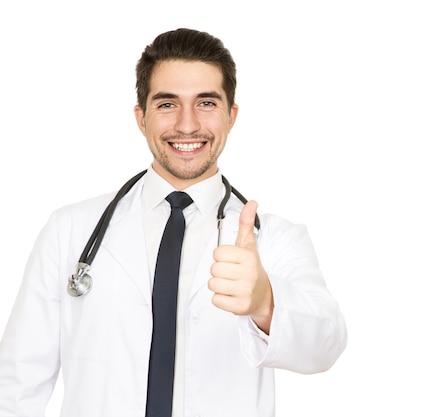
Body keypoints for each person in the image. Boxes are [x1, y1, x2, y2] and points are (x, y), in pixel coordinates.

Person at [0, 28, 347, 417]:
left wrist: (266, 302)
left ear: (231, 116)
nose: (186, 125)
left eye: (206, 103)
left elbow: (327, 344)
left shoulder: (277, 239)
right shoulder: (70, 231)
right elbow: (17, 385)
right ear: (141, 117)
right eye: (167, 104)